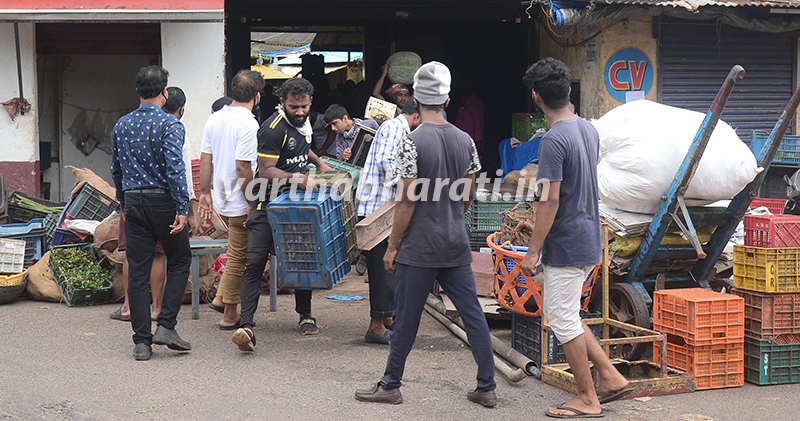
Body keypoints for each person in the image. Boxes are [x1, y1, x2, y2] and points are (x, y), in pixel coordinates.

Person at [355, 62, 496, 407]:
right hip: (455, 242)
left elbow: (405, 202)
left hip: (419, 246)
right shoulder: (465, 141)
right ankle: (487, 386)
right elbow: (466, 197)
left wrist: (391, 247)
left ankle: (390, 385)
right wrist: (448, 217)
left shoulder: (411, 142)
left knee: (405, 317)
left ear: (415, 100)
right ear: (447, 101)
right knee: (473, 314)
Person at [518, 57, 631, 418]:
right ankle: (610, 377)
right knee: (567, 313)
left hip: (566, 242)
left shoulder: (553, 140)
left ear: (536, 97)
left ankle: (587, 398)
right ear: (568, 91)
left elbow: (548, 201)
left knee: (563, 319)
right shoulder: (587, 129)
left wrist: (532, 252)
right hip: (588, 236)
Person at [231, 77, 333, 352]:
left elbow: (301, 146)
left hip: (295, 207)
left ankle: (305, 315)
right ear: (282, 103)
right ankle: (247, 325)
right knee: (254, 264)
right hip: (267, 208)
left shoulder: (304, 123)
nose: (299, 112)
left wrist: (319, 161)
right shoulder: (271, 129)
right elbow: (265, 172)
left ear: (310, 102)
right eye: (293, 107)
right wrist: (297, 178)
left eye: (303, 106)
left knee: (302, 260)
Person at [111, 66, 192, 361]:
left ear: (137, 91)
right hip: (163, 202)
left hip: (133, 202)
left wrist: (123, 202)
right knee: (180, 259)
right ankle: (166, 326)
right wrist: (182, 208)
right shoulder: (171, 125)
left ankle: (141, 342)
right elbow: (175, 169)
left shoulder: (121, 125)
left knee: (138, 267)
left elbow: (115, 170)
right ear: (165, 92)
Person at [199, 70, 264, 331]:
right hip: (239, 200)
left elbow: (206, 158)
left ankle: (220, 299)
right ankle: (229, 314)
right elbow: (243, 168)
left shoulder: (216, 118)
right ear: (257, 96)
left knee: (236, 252)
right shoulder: (248, 123)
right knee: (239, 258)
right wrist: (251, 202)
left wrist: (205, 192)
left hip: (222, 198)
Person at [355, 96, 421, 345]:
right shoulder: (394, 127)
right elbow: (386, 162)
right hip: (376, 209)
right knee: (382, 269)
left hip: (384, 209)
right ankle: (376, 327)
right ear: (417, 115)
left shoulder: (399, 129)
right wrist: (406, 186)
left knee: (389, 267)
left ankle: (387, 321)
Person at [454, 76, 485, 154]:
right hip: (458, 143)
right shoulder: (463, 101)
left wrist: (478, 152)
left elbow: (479, 128)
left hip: (469, 145)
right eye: (465, 83)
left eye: (469, 84)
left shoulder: (476, 103)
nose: (466, 86)